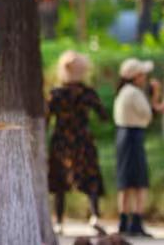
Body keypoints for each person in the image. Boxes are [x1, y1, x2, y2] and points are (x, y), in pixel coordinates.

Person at [47, 51, 110, 236]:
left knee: (60, 183)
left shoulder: (55, 94)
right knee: (90, 179)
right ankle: (95, 216)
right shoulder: (87, 93)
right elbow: (103, 116)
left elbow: (45, 118)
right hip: (83, 140)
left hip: (61, 141)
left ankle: (58, 222)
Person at [113, 58, 164, 237]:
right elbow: (147, 115)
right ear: (136, 76)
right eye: (142, 74)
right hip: (134, 136)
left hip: (123, 136)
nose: (145, 77)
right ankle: (136, 222)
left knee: (125, 181)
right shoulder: (134, 93)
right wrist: (156, 97)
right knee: (138, 181)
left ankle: (124, 221)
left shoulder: (123, 92)